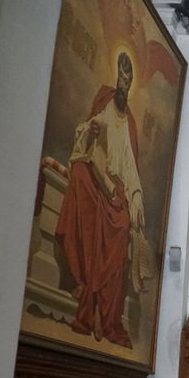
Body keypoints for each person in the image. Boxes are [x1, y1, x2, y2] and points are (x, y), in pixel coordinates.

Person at [56, 51, 144, 349]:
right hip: (96, 178)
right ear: (116, 76)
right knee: (81, 174)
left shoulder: (129, 123)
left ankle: (105, 314)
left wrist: (135, 196)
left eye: (128, 81)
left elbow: (130, 168)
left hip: (115, 190)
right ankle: (84, 285)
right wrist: (91, 134)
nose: (123, 84)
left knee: (121, 227)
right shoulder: (104, 102)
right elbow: (83, 139)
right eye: (121, 77)